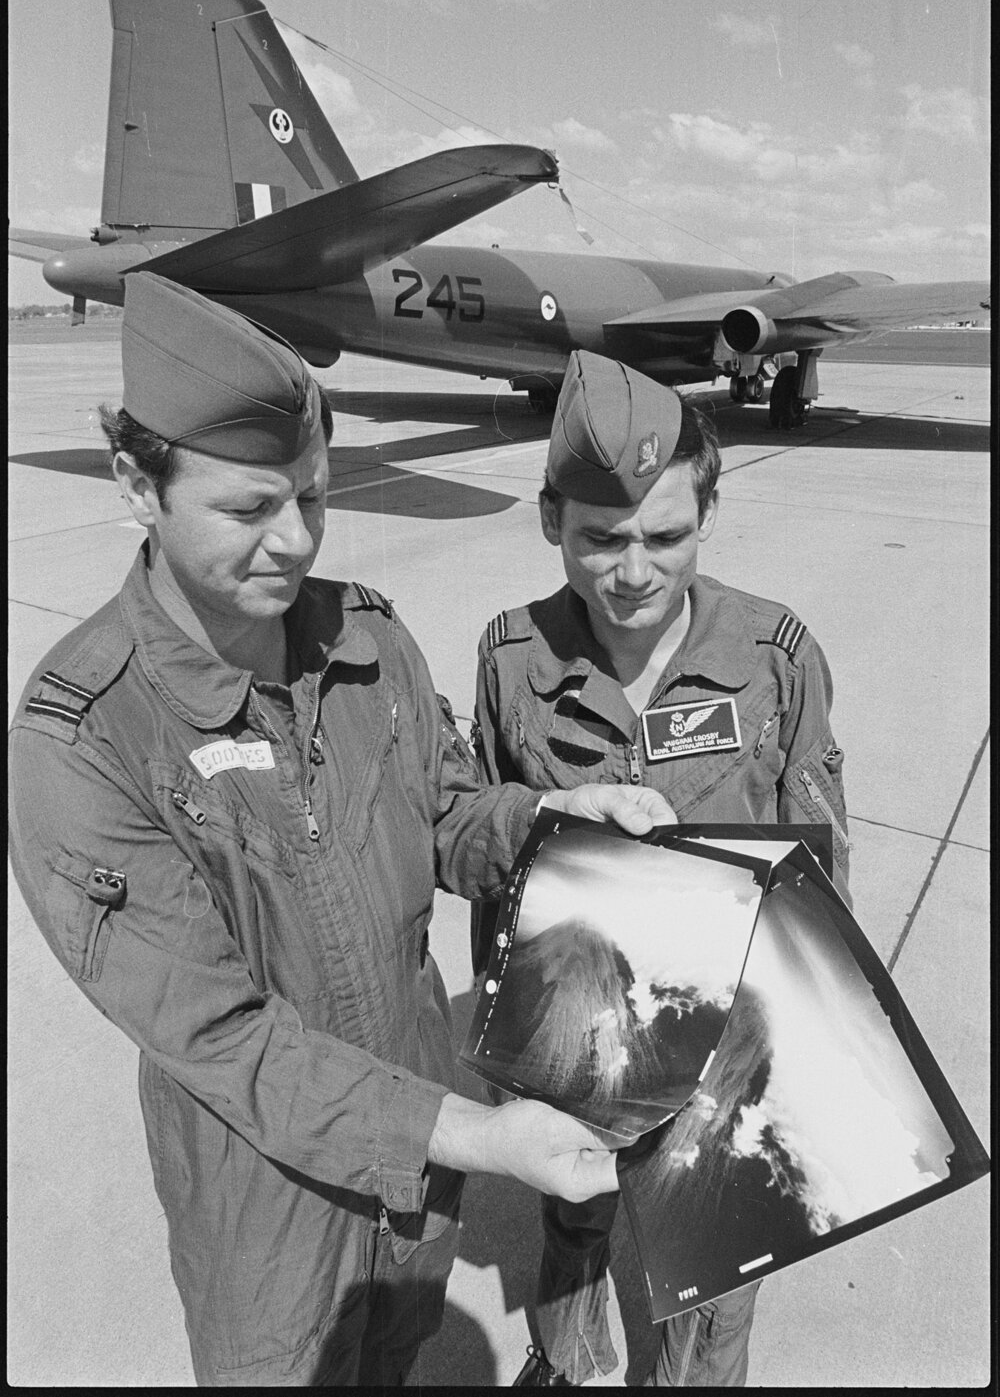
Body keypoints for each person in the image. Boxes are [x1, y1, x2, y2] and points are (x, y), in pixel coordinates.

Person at [7, 280, 675, 1388]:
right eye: (248, 509)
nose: (293, 542)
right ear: (138, 483)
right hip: (266, 1198)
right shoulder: (86, 738)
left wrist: (549, 822)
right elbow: (224, 1038)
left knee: (399, 1354)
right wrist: (472, 1133)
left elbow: (450, 815)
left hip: (416, 1175)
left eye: (313, 498)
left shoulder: (364, 640)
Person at [472, 350, 851, 1387]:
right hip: (584, 1033)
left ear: (708, 513)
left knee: (719, 1272)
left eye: (665, 536)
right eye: (599, 539)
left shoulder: (772, 654)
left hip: (730, 1033)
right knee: (574, 1219)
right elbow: (495, 861)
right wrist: (514, 1057)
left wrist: (811, 1044)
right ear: (550, 520)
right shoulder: (512, 660)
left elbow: (819, 856)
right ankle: (566, 1355)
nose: (632, 571)